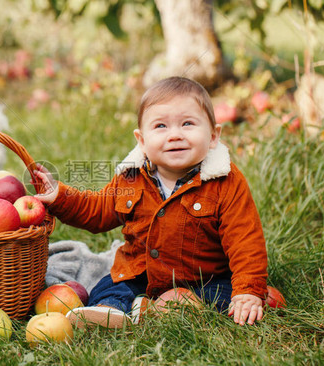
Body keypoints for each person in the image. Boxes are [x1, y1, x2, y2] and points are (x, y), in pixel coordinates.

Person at [34, 76, 268, 327]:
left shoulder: (225, 181)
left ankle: (164, 307)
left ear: (213, 136)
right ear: (142, 141)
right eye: (161, 126)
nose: (175, 135)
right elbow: (96, 209)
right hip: (141, 270)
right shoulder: (131, 177)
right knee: (111, 286)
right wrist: (60, 196)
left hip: (205, 277)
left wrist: (248, 289)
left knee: (215, 296)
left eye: (188, 124)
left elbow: (246, 240)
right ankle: (108, 311)